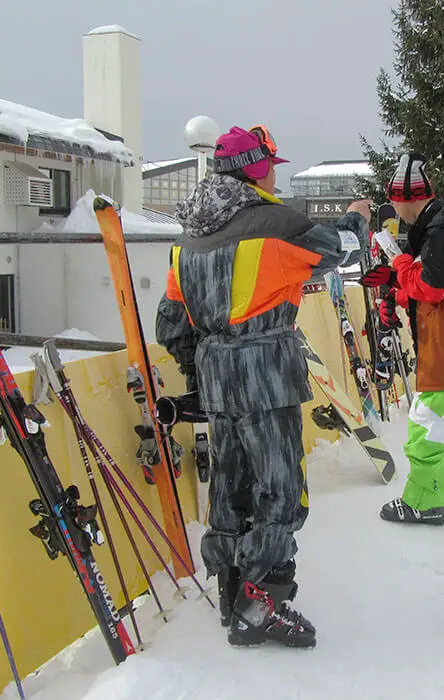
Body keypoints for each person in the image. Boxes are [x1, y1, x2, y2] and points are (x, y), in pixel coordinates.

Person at [156, 124, 370, 648]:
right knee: (280, 489)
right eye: (271, 164)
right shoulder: (277, 223)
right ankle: (262, 606)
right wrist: (360, 219)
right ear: (257, 168)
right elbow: (343, 251)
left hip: (217, 380)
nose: (276, 173)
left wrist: (207, 369)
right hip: (267, 376)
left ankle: (232, 590)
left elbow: (171, 326)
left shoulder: (186, 240)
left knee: (230, 486)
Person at [361, 153, 444, 526]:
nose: (393, 206)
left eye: (395, 199)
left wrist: (399, 268)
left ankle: (425, 502)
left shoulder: (439, 229)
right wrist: (395, 285)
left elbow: (433, 285)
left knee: (424, 430)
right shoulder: (435, 225)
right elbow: (431, 283)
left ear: (408, 198)